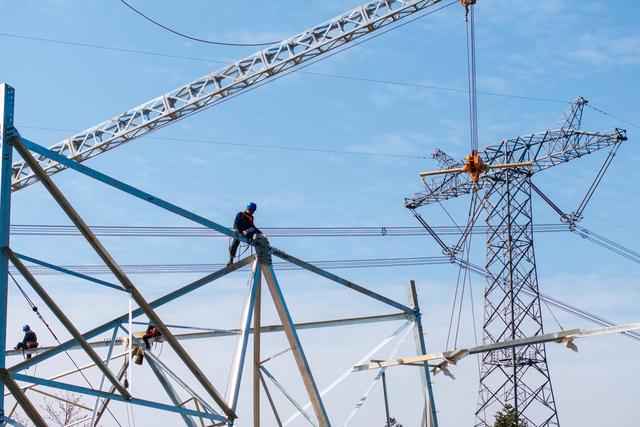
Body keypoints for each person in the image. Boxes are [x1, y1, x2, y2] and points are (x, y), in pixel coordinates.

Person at [227, 202, 261, 266]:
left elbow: (252, 226)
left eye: (253, 211)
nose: (252, 212)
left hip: (247, 232)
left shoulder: (251, 217)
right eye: (251, 210)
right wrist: (236, 229)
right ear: (248, 209)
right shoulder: (240, 214)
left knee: (255, 230)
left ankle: (258, 241)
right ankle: (231, 259)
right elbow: (236, 223)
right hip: (239, 232)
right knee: (234, 243)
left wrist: (260, 232)